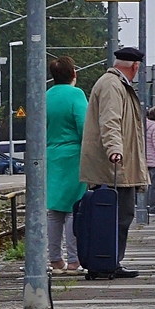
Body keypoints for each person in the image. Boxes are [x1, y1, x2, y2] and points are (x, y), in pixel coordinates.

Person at [79, 47, 148, 277]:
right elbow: (110, 120)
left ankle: (109, 261)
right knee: (118, 217)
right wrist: (115, 150)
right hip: (114, 167)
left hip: (116, 165)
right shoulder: (112, 85)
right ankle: (108, 262)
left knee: (116, 216)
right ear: (135, 66)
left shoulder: (116, 84)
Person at [46, 56, 87, 274]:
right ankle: (73, 260)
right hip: (74, 154)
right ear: (73, 74)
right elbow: (84, 126)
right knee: (74, 208)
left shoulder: (45, 95)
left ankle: (55, 259)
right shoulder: (76, 95)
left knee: (54, 210)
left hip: (51, 154)